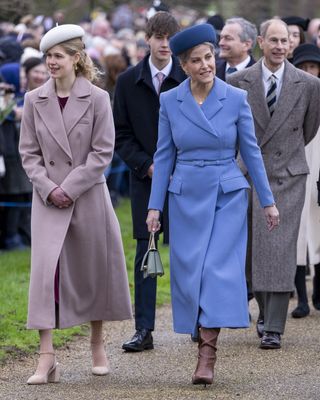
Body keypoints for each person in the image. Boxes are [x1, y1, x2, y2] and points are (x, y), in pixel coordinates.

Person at [146, 23, 279, 385]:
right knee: (192, 273)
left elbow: (251, 153)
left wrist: (268, 201)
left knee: (215, 271)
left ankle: (207, 354)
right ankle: (201, 335)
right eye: (196, 61)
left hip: (227, 194)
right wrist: (154, 207)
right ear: (183, 65)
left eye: (208, 57)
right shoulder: (170, 101)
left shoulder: (234, 98)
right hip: (186, 194)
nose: (205, 65)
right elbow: (164, 154)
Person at [19, 24, 132, 385]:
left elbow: (102, 152)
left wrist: (71, 186)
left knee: (92, 270)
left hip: (88, 198)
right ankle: (46, 357)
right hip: (48, 200)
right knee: (45, 278)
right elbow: (28, 153)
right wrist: (49, 188)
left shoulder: (98, 98)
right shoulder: (34, 99)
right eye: (47, 56)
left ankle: (98, 345)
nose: (51, 62)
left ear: (76, 58)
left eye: (57, 56)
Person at [227, 18, 320, 349]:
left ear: (291, 46)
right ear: (261, 43)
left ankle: (274, 327)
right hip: (250, 174)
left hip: (288, 175)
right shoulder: (238, 82)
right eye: (274, 41)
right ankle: (266, 314)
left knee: (280, 249)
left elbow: (307, 130)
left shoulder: (309, 84)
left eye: (286, 41)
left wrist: (288, 158)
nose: (281, 46)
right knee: (255, 248)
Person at [113, 11, 185, 352]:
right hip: (146, 179)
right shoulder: (128, 81)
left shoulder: (188, 77)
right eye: (159, 37)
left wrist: (179, 166)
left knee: (189, 252)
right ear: (148, 39)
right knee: (147, 253)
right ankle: (144, 329)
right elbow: (121, 135)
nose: (165, 44)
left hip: (186, 179)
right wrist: (148, 166)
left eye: (170, 37)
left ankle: (197, 323)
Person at [291, 43, 320, 318]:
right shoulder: (291, 97)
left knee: (319, 232)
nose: (310, 72)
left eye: (314, 67)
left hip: (319, 171)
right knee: (298, 236)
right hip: (297, 171)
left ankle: (318, 294)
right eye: (304, 68)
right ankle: (301, 298)